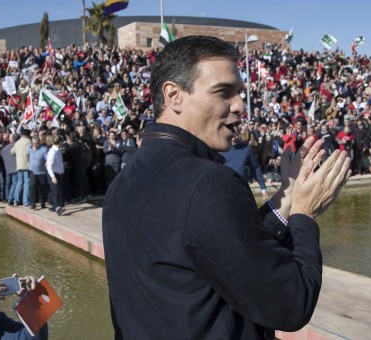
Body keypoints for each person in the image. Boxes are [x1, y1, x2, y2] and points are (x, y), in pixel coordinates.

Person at [102, 36, 351, 339]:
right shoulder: (209, 182)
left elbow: (217, 247)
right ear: (174, 95)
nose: (239, 105)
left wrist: (286, 196)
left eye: (240, 93)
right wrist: (304, 213)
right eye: (224, 92)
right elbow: (291, 304)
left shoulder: (121, 183)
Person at [221, 135, 270, 201]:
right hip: (225, 190)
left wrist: (263, 188)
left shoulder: (247, 148)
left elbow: (255, 169)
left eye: (235, 135)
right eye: (231, 136)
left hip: (242, 190)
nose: (233, 138)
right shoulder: (220, 149)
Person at [46, 134, 65, 216]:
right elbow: (49, 166)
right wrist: (52, 176)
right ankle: (57, 208)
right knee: (55, 191)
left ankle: (53, 205)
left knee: (57, 190)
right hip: (54, 174)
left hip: (59, 174)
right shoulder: (53, 152)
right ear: (60, 142)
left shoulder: (58, 150)